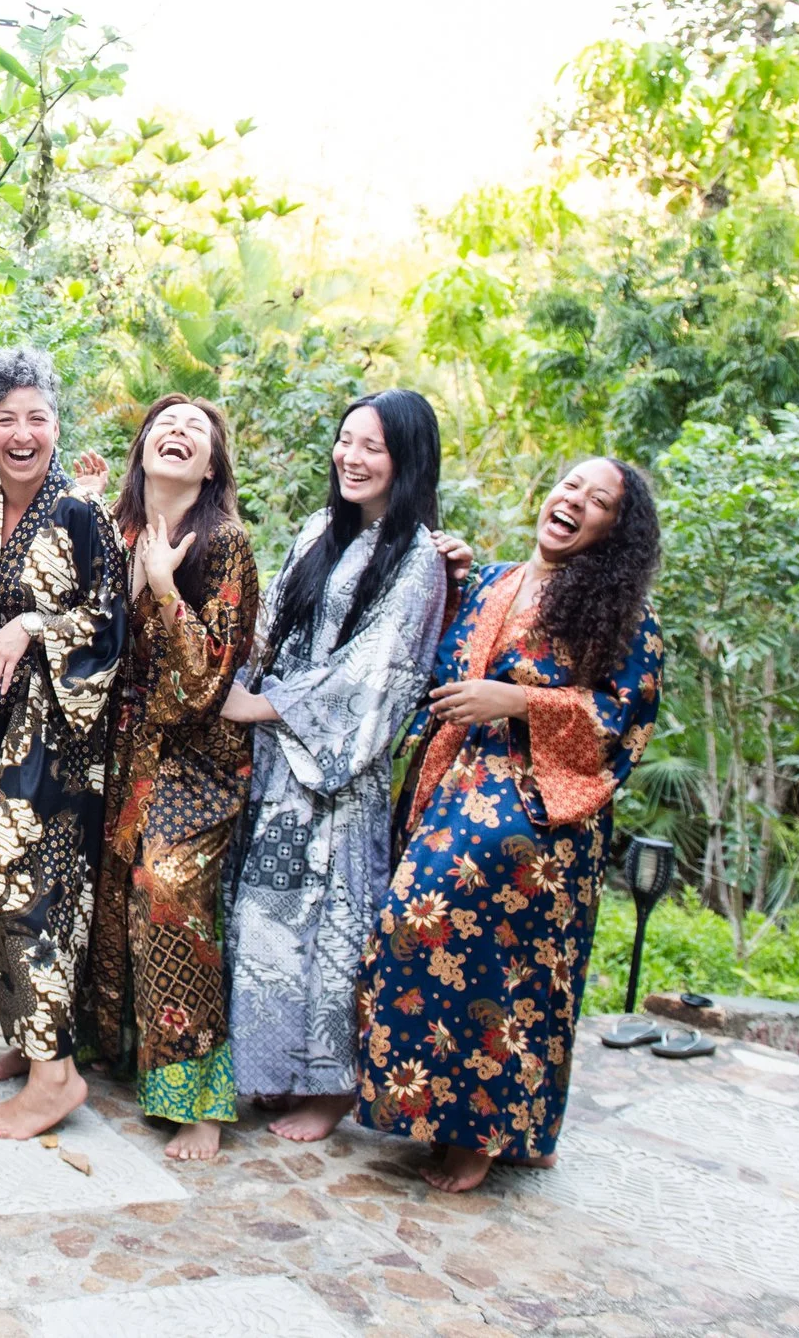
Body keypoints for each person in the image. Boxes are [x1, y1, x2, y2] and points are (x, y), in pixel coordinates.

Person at [358, 460, 663, 1192]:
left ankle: (483, 1134)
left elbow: (623, 722)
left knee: (508, 969)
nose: (573, 502)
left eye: (598, 502)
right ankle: (492, 1125)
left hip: (538, 816)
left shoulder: (625, 618)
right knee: (411, 931)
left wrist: (519, 703)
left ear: (614, 532)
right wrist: (455, 578)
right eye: (570, 486)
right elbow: (443, 656)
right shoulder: (497, 581)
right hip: (451, 782)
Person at [222, 387, 447, 1143]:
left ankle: (330, 1089)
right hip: (280, 768)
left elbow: (378, 673)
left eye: (373, 447)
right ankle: (275, 1072)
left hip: (337, 776)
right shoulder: (321, 528)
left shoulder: (418, 559)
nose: (352, 457)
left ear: (406, 459)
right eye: (346, 441)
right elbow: (274, 627)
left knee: (329, 927)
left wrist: (264, 707)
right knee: (266, 919)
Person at [0, 347, 126, 1139]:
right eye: (5, 419)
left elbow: (110, 626)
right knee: (1, 884)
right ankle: (28, 1043)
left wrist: (30, 626)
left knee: (28, 887)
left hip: (56, 730)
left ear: (56, 425)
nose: (23, 433)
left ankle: (56, 1078)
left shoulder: (79, 514)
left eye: (38, 418)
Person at [83, 393, 260, 1163]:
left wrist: (162, 587)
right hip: (123, 748)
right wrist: (129, 576)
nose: (179, 433)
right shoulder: (115, 526)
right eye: (166, 424)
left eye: (197, 430)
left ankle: (199, 1104)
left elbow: (209, 678)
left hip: (195, 758)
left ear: (213, 464)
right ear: (143, 448)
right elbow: (87, 632)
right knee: (111, 894)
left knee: (170, 894)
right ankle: (114, 1055)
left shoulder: (224, 543)